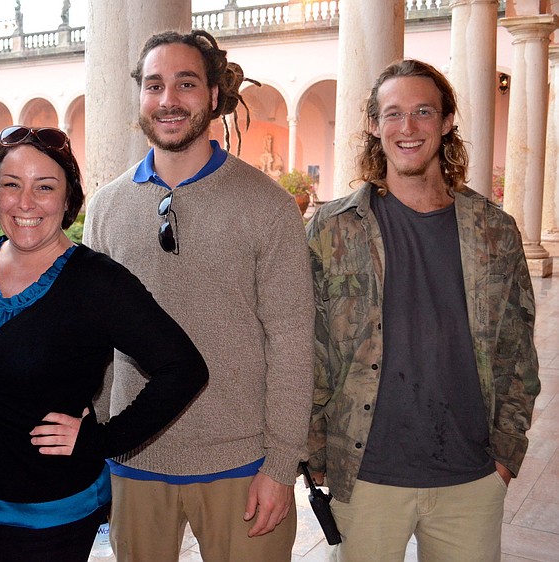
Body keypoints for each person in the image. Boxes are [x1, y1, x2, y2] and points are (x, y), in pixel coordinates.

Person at [84, 30, 314, 562]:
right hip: (135, 460)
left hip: (242, 465)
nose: (168, 99)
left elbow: (292, 344)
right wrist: (96, 441)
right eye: (154, 85)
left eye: (185, 84)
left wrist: (282, 465)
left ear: (213, 95)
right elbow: (96, 343)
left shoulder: (267, 206)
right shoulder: (107, 207)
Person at [305, 59, 540, 561]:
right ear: (374, 126)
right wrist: (315, 448)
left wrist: (505, 456)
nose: (407, 128)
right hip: (365, 476)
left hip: (471, 479)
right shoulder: (332, 228)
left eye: (423, 112)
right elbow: (310, 348)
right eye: (393, 114)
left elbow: (517, 351)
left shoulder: (494, 231)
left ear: (447, 121)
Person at [0, 125, 209, 562]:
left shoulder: (98, 282)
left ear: (68, 197)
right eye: (11, 185)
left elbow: (184, 368)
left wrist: (102, 439)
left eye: (44, 187)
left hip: (52, 511)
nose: (26, 202)